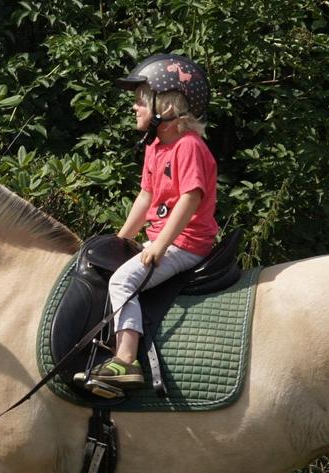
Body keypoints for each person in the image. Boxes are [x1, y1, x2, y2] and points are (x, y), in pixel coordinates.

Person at [79, 54, 219, 393]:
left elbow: (191, 198)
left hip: (186, 244)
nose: (134, 107)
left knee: (123, 281)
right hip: (164, 239)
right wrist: (122, 238)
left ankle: (127, 361)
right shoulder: (156, 146)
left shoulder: (188, 147)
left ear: (167, 107)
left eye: (141, 99)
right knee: (108, 266)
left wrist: (158, 245)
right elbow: (146, 196)